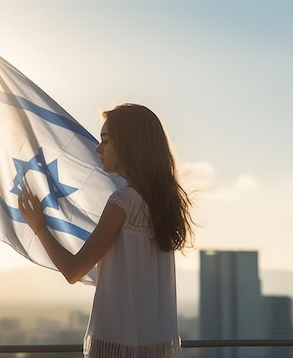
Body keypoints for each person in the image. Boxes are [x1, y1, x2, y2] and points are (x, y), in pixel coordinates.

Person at [18, 103, 195, 358]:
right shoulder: (162, 203)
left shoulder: (123, 202)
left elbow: (73, 270)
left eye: (106, 141)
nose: (98, 149)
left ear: (129, 146)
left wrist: (39, 227)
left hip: (117, 346)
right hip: (154, 346)